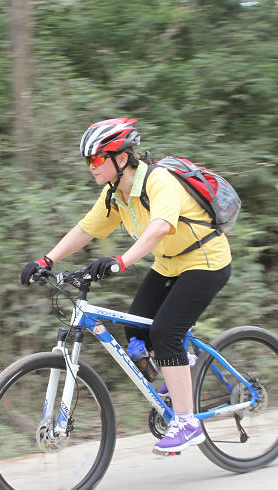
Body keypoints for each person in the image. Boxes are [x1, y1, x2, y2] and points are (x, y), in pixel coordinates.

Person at [20, 117, 232, 455]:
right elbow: (85, 229)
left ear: (121, 158)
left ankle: (187, 423)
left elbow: (160, 227)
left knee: (165, 333)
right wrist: (46, 260)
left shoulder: (159, 181)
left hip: (205, 262)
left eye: (96, 158)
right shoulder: (115, 195)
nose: (92, 166)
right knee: (135, 330)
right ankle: (183, 365)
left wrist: (121, 261)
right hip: (169, 264)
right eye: (88, 161)